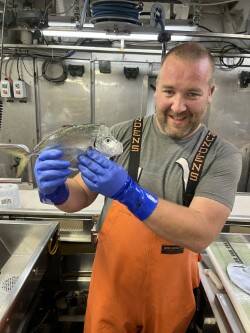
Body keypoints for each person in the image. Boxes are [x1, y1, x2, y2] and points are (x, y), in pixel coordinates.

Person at [34, 42, 242, 333]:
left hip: (169, 299)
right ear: (156, 88)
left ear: (210, 93)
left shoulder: (222, 155)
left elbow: (200, 233)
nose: (178, 106)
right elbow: (79, 194)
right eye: (169, 91)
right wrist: (58, 190)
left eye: (192, 94)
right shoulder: (118, 135)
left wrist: (129, 193)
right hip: (112, 292)